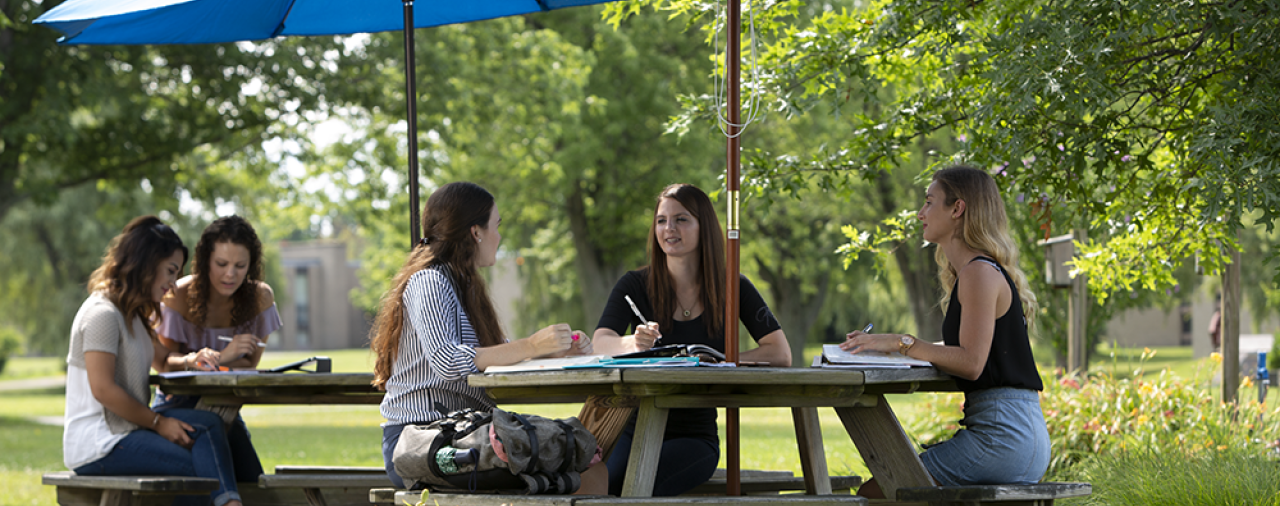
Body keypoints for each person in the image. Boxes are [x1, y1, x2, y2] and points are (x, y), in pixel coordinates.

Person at [370, 182, 606, 493]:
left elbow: (495, 356)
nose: (499, 235)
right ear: (476, 232)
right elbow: (447, 360)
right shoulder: (430, 281)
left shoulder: (463, 286)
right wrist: (532, 345)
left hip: (462, 434)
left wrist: (555, 352)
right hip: (423, 442)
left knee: (582, 458)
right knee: (575, 461)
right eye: (496, 225)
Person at [840, 166, 1049, 496]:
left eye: (929, 202)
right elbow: (970, 347)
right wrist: (891, 347)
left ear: (957, 209)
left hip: (1002, 437)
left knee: (878, 492)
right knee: (893, 485)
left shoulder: (979, 273)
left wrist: (902, 342)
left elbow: (971, 361)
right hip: (1017, 434)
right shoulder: (978, 271)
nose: (921, 213)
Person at [593, 183, 793, 496]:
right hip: (636, 430)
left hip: (694, 436)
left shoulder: (734, 285)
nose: (668, 228)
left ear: (704, 227)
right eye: (661, 220)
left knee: (634, 487)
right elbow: (601, 342)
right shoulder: (634, 284)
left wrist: (725, 360)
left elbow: (780, 352)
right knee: (608, 486)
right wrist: (631, 343)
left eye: (681, 219)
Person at [63, 216, 243, 506]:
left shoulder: (134, 315)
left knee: (210, 423)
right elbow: (103, 389)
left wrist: (191, 360)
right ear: (146, 264)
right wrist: (158, 422)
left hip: (129, 430)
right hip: (99, 444)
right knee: (200, 471)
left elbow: (164, 361)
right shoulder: (102, 315)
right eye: (170, 271)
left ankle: (231, 502)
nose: (173, 285)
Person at [152, 215, 280, 482]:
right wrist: (222, 357)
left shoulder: (260, 298)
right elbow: (164, 364)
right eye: (221, 264)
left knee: (253, 481)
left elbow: (248, 366)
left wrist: (223, 360)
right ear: (205, 259)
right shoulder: (179, 295)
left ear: (251, 266)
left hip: (224, 404)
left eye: (240, 265)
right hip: (177, 404)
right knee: (204, 482)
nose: (230, 274)